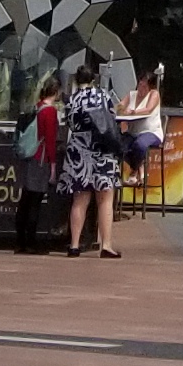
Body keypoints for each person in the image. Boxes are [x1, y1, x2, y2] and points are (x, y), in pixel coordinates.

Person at [58, 69, 124, 259]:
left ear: (76, 81)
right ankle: (106, 245)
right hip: (102, 150)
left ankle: (74, 245)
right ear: (93, 80)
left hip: (79, 151)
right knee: (105, 199)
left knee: (79, 200)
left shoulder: (71, 100)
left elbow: (70, 124)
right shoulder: (103, 95)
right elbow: (112, 119)